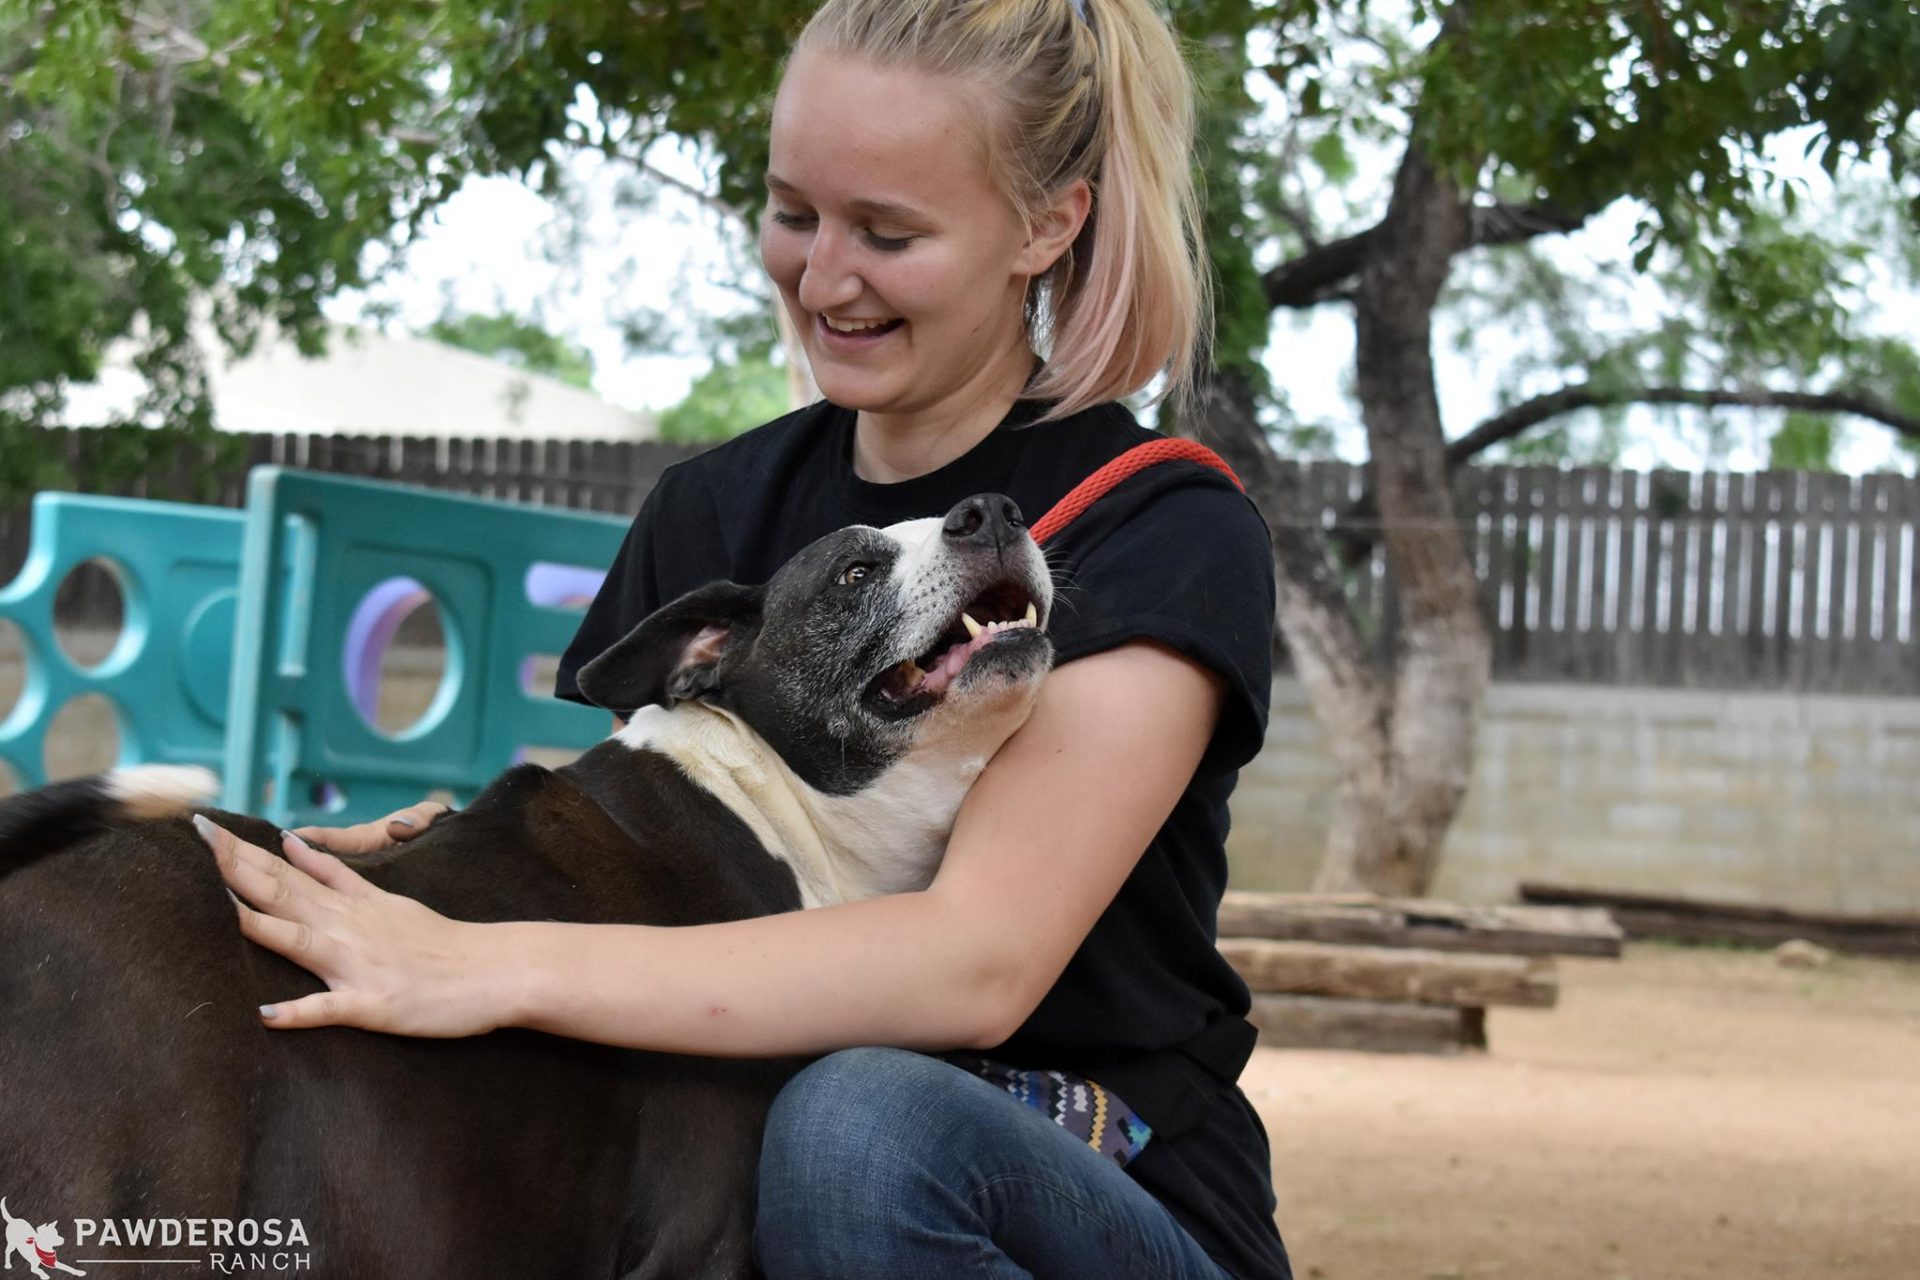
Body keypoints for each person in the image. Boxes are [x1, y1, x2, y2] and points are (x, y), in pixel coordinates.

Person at [193, 0, 1294, 1276]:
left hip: (1090, 1190)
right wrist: (455, 870)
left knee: (858, 1129)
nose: (822, 278)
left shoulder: (1157, 525)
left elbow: (977, 963)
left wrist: (480, 958)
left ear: (1047, 226)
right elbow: (644, 879)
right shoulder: (713, 509)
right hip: (756, 1168)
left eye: (888, 233)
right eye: (793, 214)